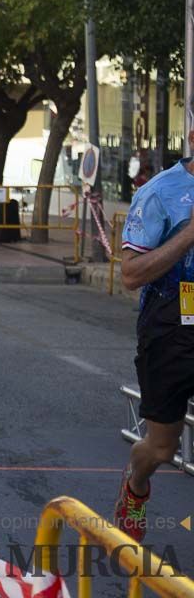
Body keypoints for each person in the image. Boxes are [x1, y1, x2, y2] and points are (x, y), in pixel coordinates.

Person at [115, 126, 194, 542]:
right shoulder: (162, 191)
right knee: (162, 448)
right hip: (172, 323)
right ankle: (136, 484)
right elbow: (130, 274)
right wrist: (189, 234)